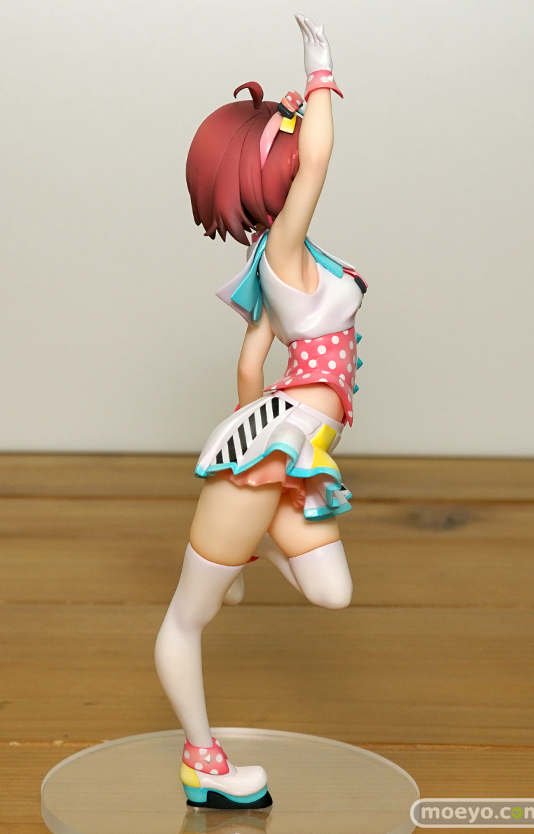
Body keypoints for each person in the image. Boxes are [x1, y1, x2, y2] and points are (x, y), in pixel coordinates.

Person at [155, 13, 365, 810]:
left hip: (286, 452)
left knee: (332, 592)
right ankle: (201, 761)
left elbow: (251, 366)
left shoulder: (276, 266)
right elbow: (321, 157)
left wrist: (265, 450)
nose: (302, 146)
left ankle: (247, 549)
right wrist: (321, 71)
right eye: (290, 142)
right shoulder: (281, 251)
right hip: (275, 448)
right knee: (186, 619)